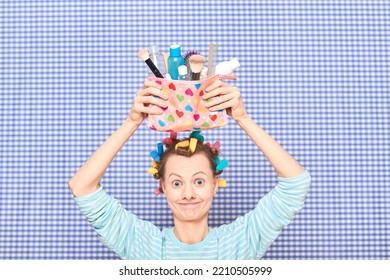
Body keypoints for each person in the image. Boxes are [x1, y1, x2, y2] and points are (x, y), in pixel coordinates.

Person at [68, 78, 311, 260]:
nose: (188, 194)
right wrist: (133, 121)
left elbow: (296, 182)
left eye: (199, 181)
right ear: (162, 187)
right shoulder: (141, 243)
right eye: (176, 183)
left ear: (215, 184)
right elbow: (82, 186)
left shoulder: (242, 241)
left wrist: (243, 118)